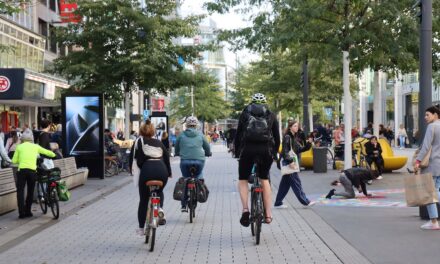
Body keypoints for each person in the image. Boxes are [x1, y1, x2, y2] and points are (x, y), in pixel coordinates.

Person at [234, 93, 280, 226]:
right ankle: (268, 214)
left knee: (243, 179)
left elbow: (238, 136)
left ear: (251, 103)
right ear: (265, 103)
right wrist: (275, 153)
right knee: (264, 179)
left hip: (248, 150)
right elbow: (277, 137)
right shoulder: (271, 115)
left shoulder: (245, 114)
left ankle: (245, 209)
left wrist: (237, 152)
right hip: (265, 151)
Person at [129, 120, 171, 235]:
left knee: (143, 200)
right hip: (162, 171)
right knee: (159, 191)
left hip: (147, 171)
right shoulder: (159, 142)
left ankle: (142, 228)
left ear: (141, 131)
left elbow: (132, 158)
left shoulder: (138, 141)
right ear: (153, 132)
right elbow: (167, 158)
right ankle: (160, 209)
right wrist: (169, 172)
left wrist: (131, 171)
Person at [12, 130, 55, 218]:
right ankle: (28, 211)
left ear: (22, 139)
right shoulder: (35, 146)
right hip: (32, 171)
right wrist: (53, 154)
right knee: (30, 191)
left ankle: (21, 213)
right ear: (31, 138)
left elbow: (14, 161)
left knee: (20, 191)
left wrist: (21, 160)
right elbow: (48, 152)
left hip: (22, 171)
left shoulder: (19, 147)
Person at [274, 120, 316, 208]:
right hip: (289, 164)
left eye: (297, 126)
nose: (297, 128)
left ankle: (278, 202)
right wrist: (290, 162)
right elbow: (285, 152)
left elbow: (301, 149)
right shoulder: (287, 137)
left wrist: (309, 143)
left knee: (284, 185)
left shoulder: (293, 138)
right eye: (294, 126)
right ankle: (305, 201)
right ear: (290, 127)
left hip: (288, 163)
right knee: (297, 183)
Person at [174, 116, 211, 212]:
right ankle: (200, 188)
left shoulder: (181, 135)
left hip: (185, 161)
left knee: (186, 179)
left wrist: (177, 153)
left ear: (186, 125)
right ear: (196, 125)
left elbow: (177, 147)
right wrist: (208, 153)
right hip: (199, 161)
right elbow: (207, 147)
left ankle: (183, 205)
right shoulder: (200, 135)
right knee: (198, 175)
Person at [414, 106, 440, 230]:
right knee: (435, 190)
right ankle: (433, 221)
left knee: (430, 193)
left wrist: (418, 161)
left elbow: (425, 146)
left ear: (435, 115)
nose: (425, 117)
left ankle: (434, 222)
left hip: (433, 164)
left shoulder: (432, 127)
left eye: (427, 115)